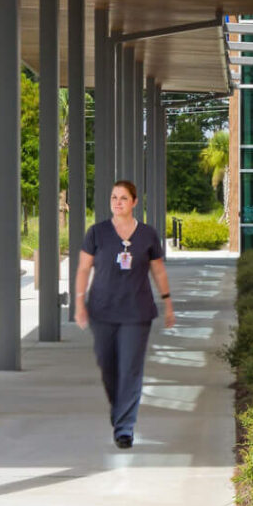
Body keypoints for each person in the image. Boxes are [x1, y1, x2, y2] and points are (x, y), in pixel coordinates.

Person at [75, 177, 173, 450]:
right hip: (102, 310)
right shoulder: (97, 233)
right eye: (114, 198)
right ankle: (120, 412)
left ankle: (124, 429)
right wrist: (79, 302)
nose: (118, 203)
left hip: (136, 312)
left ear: (134, 202)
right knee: (109, 368)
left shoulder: (148, 235)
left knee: (130, 369)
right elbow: (84, 269)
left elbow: (159, 271)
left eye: (123, 198)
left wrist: (168, 302)